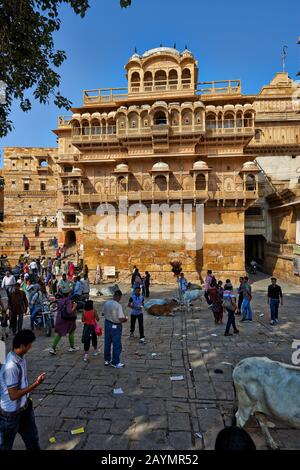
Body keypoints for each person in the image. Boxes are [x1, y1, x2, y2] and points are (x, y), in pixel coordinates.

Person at [0, 330, 46, 450]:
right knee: (5, 446)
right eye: (29, 345)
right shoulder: (11, 367)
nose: (30, 347)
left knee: (33, 440)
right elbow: (13, 395)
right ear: (21, 346)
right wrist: (36, 383)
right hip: (10, 416)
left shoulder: (20, 358)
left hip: (25, 409)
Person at [103, 290, 127, 368]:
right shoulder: (118, 305)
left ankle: (107, 360)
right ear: (119, 297)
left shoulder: (107, 302)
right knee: (116, 344)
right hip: (115, 326)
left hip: (107, 324)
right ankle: (115, 362)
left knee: (107, 343)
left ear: (113, 295)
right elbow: (120, 319)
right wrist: (125, 319)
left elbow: (103, 313)